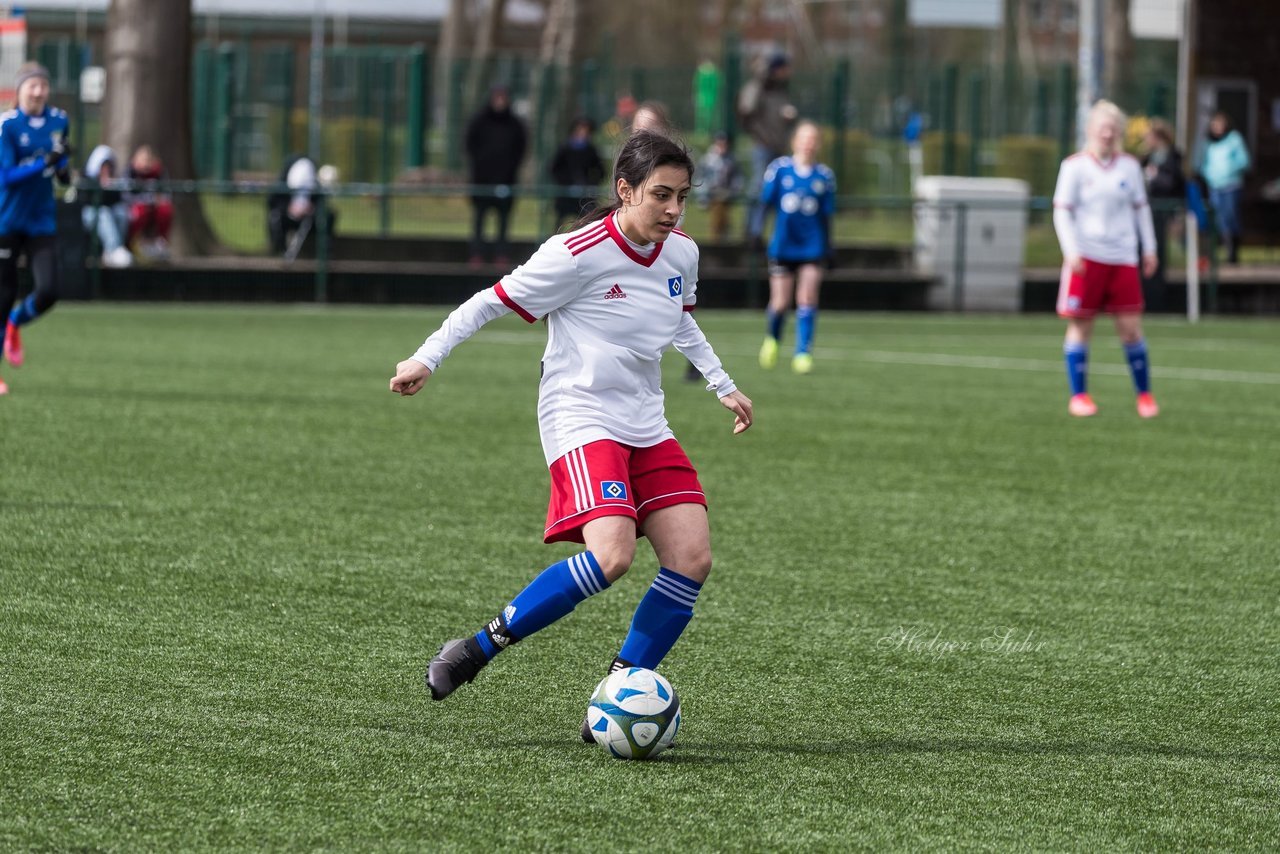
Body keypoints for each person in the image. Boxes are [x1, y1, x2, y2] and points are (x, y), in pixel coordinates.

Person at [388, 131, 754, 743]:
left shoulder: (681, 253)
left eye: (682, 197)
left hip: (647, 421)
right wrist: (426, 358)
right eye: (660, 195)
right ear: (624, 189)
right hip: (579, 414)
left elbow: (681, 319)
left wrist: (722, 383)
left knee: (692, 559)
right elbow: (488, 301)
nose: (672, 210)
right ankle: (478, 647)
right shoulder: (576, 252)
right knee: (613, 556)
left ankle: (619, 691)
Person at [1052, 100, 1159, 419]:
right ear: (1090, 130)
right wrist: (1071, 250)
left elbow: (1141, 210)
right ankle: (1079, 396)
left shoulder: (1129, 167)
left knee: (1130, 328)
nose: (1108, 133)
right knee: (1081, 326)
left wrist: (1148, 249)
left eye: (1113, 128)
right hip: (1087, 257)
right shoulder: (1074, 167)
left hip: (1122, 257)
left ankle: (1145, 396)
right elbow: (1062, 212)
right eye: (1103, 127)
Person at [0, 62, 72, 396]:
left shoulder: (60, 120)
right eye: (33, 85)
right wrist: (42, 163)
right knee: (3, 295)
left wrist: (63, 171)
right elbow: (7, 177)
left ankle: (16, 322)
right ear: (20, 90)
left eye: (43, 84)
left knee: (49, 290)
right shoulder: (8, 126)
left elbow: (60, 160)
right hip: (7, 220)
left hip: (41, 219)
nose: (39, 91)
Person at [757, 121, 835, 376]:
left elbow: (827, 216)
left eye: (813, 139)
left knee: (807, 298)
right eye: (804, 138)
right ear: (795, 142)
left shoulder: (824, 176)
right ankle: (773, 339)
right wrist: (756, 233)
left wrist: (829, 248)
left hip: (812, 247)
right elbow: (765, 203)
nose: (808, 143)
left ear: (818, 144)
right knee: (780, 303)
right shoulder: (779, 170)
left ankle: (803, 352)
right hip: (783, 245)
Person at [737, 53, 798, 246]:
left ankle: (762, 231)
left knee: (774, 190)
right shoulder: (757, 87)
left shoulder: (781, 90)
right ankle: (751, 230)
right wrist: (760, 136)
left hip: (778, 145)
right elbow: (745, 113)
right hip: (763, 146)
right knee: (759, 187)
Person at [464, 84, 527, 268]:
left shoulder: (515, 125)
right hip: (482, 181)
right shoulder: (479, 121)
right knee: (479, 220)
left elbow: (520, 150)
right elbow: (470, 146)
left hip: (506, 181)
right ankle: (476, 254)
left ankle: (501, 255)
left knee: (503, 222)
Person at [1140, 119, 1186, 311]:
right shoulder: (1146, 157)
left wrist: (1155, 177)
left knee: (1162, 254)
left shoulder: (1172, 158)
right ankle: (1147, 296)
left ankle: (1159, 299)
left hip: (1165, 212)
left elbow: (1174, 184)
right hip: (1149, 212)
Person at [1199, 111, 1250, 264]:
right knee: (1218, 219)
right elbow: (1204, 163)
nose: (1217, 127)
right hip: (1215, 186)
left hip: (1231, 185)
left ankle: (1232, 253)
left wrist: (1228, 169)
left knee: (1230, 217)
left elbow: (1244, 161)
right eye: (1215, 124)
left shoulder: (1234, 139)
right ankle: (1218, 252)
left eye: (1220, 124)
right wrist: (1210, 174)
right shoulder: (1208, 143)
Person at [267, 153, 337, 257]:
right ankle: (278, 253)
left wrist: (311, 208)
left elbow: (320, 201)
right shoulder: (283, 185)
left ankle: (323, 257)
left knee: (326, 216)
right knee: (275, 217)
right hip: (288, 215)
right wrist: (289, 208)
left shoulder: (314, 185)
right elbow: (272, 201)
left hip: (309, 219)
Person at [79, 144, 134, 268]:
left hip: (109, 213)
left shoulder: (113, 181)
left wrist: (110, 187)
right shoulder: (86, 180)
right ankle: (112, 249)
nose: (106, 170)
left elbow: (117, 201)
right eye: (103, 167)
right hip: (89, 214)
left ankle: (117, 249)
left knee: (121, 212)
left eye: (108, 167)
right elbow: (87, 201)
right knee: (102, 213)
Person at [548, 116, 605, 228]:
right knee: (560, 221)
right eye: (580, 129)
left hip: (584, 195)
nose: (583, 133)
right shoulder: (565, 147)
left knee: (586, 222)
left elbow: (600, 171)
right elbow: (554, 168)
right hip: (565, 194)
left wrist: (590, 183)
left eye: (586, 130)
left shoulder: (591, 150)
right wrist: (565, 182)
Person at [124, 144, 172, 260]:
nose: (145, 164)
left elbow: (166, 194)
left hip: (154, 209)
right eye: (142, 160)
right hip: (136, 209)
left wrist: (156, 200)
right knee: (138, 212)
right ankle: (131, 244)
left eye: (147, 160)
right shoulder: (130, 172)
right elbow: (126, 195)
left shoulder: (159, 173)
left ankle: (160, 244)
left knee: (165, 210)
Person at [695, 131, 742, 243]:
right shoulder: (707, 160)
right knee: (718, 215)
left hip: (727, 195)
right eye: (720, 143)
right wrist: (703, 196)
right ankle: (717, 239)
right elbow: (700, 179)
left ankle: (721, 237)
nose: (722, 147)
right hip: (711, 195)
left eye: (725, 144)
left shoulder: (731, 159)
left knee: (723, 216)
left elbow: (737, 178)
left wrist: (733, 191)